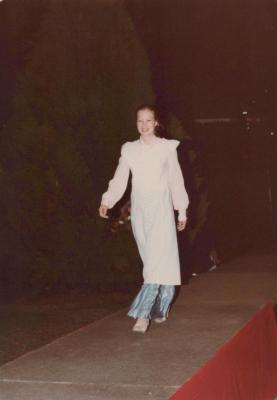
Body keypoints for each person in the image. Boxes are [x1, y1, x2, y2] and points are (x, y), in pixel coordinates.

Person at [99, 105, 189, 333]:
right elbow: (119, 179)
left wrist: (182, 209)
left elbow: (176, 181)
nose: (145, 125)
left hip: (161, 210)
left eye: (149, 120)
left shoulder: (166, 149)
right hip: (140, 211)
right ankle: (161, 307)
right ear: (136, 123)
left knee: (157, 261)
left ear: (156, 122)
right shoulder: (129, 150)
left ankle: (143, 314)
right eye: (141, 121)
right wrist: (107, 200)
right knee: (151, 260)